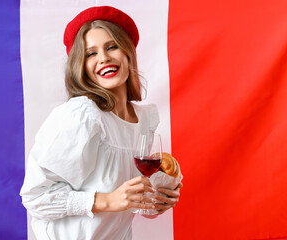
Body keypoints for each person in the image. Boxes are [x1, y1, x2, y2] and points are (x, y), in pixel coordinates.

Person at [20, 6, 182, 240]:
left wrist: (158, 201)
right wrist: (108, 200)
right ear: (81, 65)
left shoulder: (143, 121)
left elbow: (131, 202)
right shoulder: (82, 116)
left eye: (111, 47)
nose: (104, 58)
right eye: (90, 53)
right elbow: (35, 197)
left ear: (128, 53)